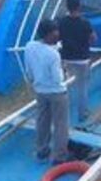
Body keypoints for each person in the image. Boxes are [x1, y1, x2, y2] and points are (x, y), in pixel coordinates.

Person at [23, 20, 70, 163]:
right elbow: (57, 79)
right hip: (57, 93)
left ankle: (42, 149)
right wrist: (64, 71)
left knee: (42, 121)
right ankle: (59, 156)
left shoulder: (29, 47)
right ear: (48, 35)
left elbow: (29, 71)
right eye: (55, 32)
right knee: (60, 124)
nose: (58, 34)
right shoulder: (53, 54)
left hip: (40, 91)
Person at [58, 0, 96, 122]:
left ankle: (66, 115)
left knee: (68, 86)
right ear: (79, 6)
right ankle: (82, 115)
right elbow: (93, 38)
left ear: (66, 6)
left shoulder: (61, 22)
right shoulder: (85, 23)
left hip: (67, 59)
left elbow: (58, 37)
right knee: (82, 88)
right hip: (82, 60)